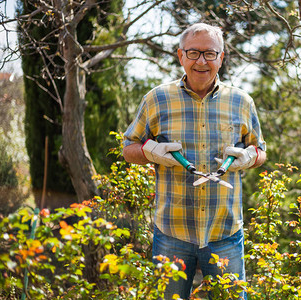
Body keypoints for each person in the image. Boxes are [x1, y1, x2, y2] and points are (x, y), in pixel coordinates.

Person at [122, 23, 267, 299]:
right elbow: (128, 147)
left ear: (221, 58)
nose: (202, 61)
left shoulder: (241, 102)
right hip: (172, 234)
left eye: (210, 54)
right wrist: (151, 151)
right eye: (193, 53)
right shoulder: (157, 99)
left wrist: (248, 157)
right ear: (180, 56)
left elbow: (260, 150)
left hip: (225, 232)